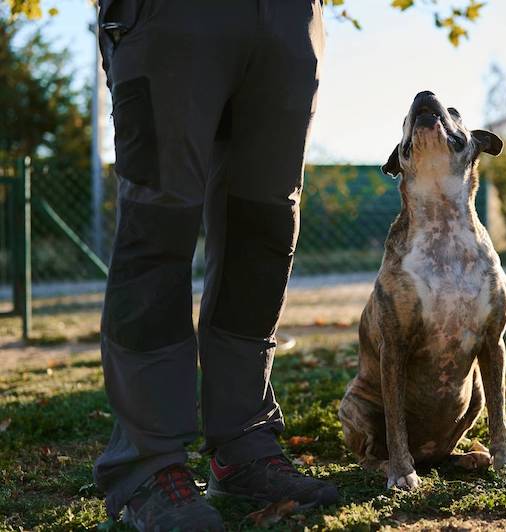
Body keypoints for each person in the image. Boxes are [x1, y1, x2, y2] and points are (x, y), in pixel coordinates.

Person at [92, 0, 337, 529]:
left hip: (289, 19)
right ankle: (147, 467)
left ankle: (242, 445)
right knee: (158, 228)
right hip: (170, 16)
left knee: (264, 232)